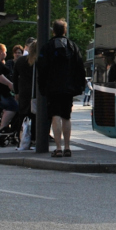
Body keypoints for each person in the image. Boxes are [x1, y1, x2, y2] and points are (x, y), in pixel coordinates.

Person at [39, 19, 86, 158]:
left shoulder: (47, 47)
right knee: (66, 116)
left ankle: (58, 147)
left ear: (53, 31)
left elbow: (42, 69)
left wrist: (43, 87)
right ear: (65, 31)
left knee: (55, 116)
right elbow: (80, 67)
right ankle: (67, 147)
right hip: (68, 87)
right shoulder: (72, 46)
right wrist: (79, 86)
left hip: (53, 88)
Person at [12, 40, 37, 148]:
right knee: (35, 116)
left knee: (22, 115)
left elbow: (14, 77)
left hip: (23, 91)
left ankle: (21, 137)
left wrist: (16, 91)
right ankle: (34, 139)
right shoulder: (39, 60)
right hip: (36, 91)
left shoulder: (20, 60)